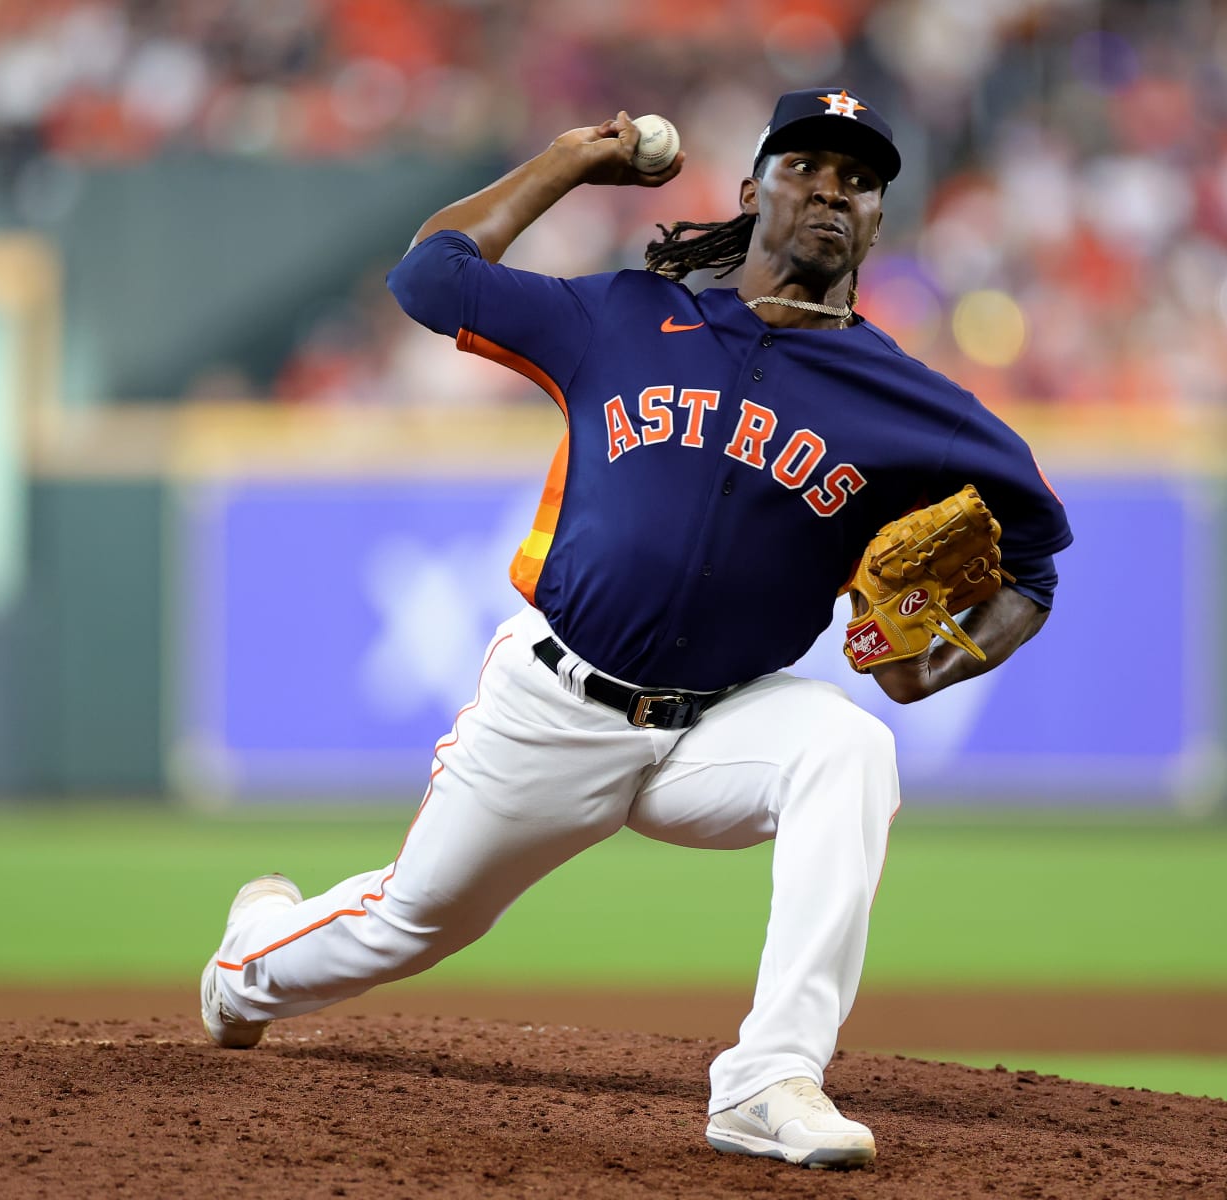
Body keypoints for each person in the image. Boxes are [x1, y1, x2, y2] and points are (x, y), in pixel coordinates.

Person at [200, 87, 1072, 1170]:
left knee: (850, 748)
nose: (832, 191)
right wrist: (568, 161)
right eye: (807, 167)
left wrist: (952, 657)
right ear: (752, 191)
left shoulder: (906, 399)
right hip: (559, 705)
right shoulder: (624, 316)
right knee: (412, 920)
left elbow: (1036, 551)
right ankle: (245, 964)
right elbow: (428, 278)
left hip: (722, 728)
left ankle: (769, 1081)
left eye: (858, 180)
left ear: (878, 222)